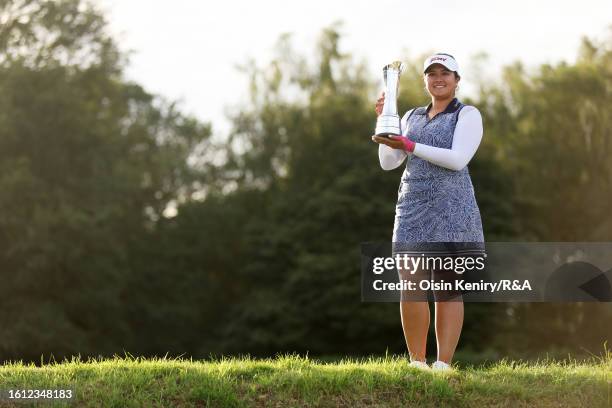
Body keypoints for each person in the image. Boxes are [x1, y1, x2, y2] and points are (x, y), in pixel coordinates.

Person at [371, 53, 485, 371]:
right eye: (432, 73)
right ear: (425, 80)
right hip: (412, 208)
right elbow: (387, 162)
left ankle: (443, 364)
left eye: (445, 73)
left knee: (447, 285)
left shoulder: (468, 114)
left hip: (452, 209)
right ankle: (417, 362)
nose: (438, 78)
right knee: (412, 284)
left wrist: (410, 146)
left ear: (456, 79)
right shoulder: (410, 116)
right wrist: (384, 124)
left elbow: (458, 158)